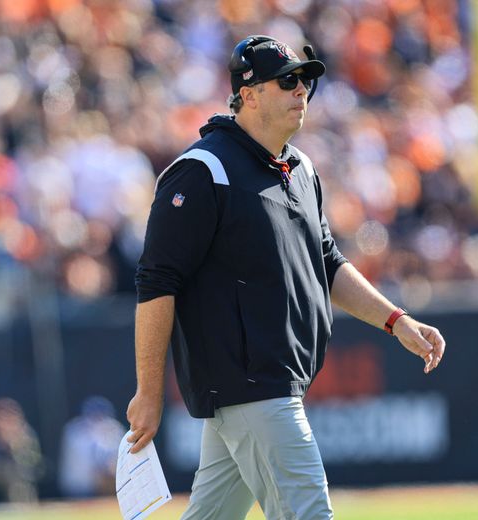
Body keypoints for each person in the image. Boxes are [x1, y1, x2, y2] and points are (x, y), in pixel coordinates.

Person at [127, 35, 446, 520]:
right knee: (308, 514)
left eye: (306, 82)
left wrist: (396, 320)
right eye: (288, 81)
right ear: (248, 93)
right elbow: (156, 283)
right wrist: (148, 393)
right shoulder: (202, 170)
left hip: (267, 385)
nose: (302, 91)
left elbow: (327, 262)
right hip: (252, 384)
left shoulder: (299, 168)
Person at [58, 396, 125, 498]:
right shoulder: (75, 431)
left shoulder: (114, 428)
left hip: (105, 486)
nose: (98, 419)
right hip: (78, 486)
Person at [0, 398, 42, 503]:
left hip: (18, 470)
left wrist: (13, 445)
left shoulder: (25, 431)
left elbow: (32, 458)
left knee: (14, 477)